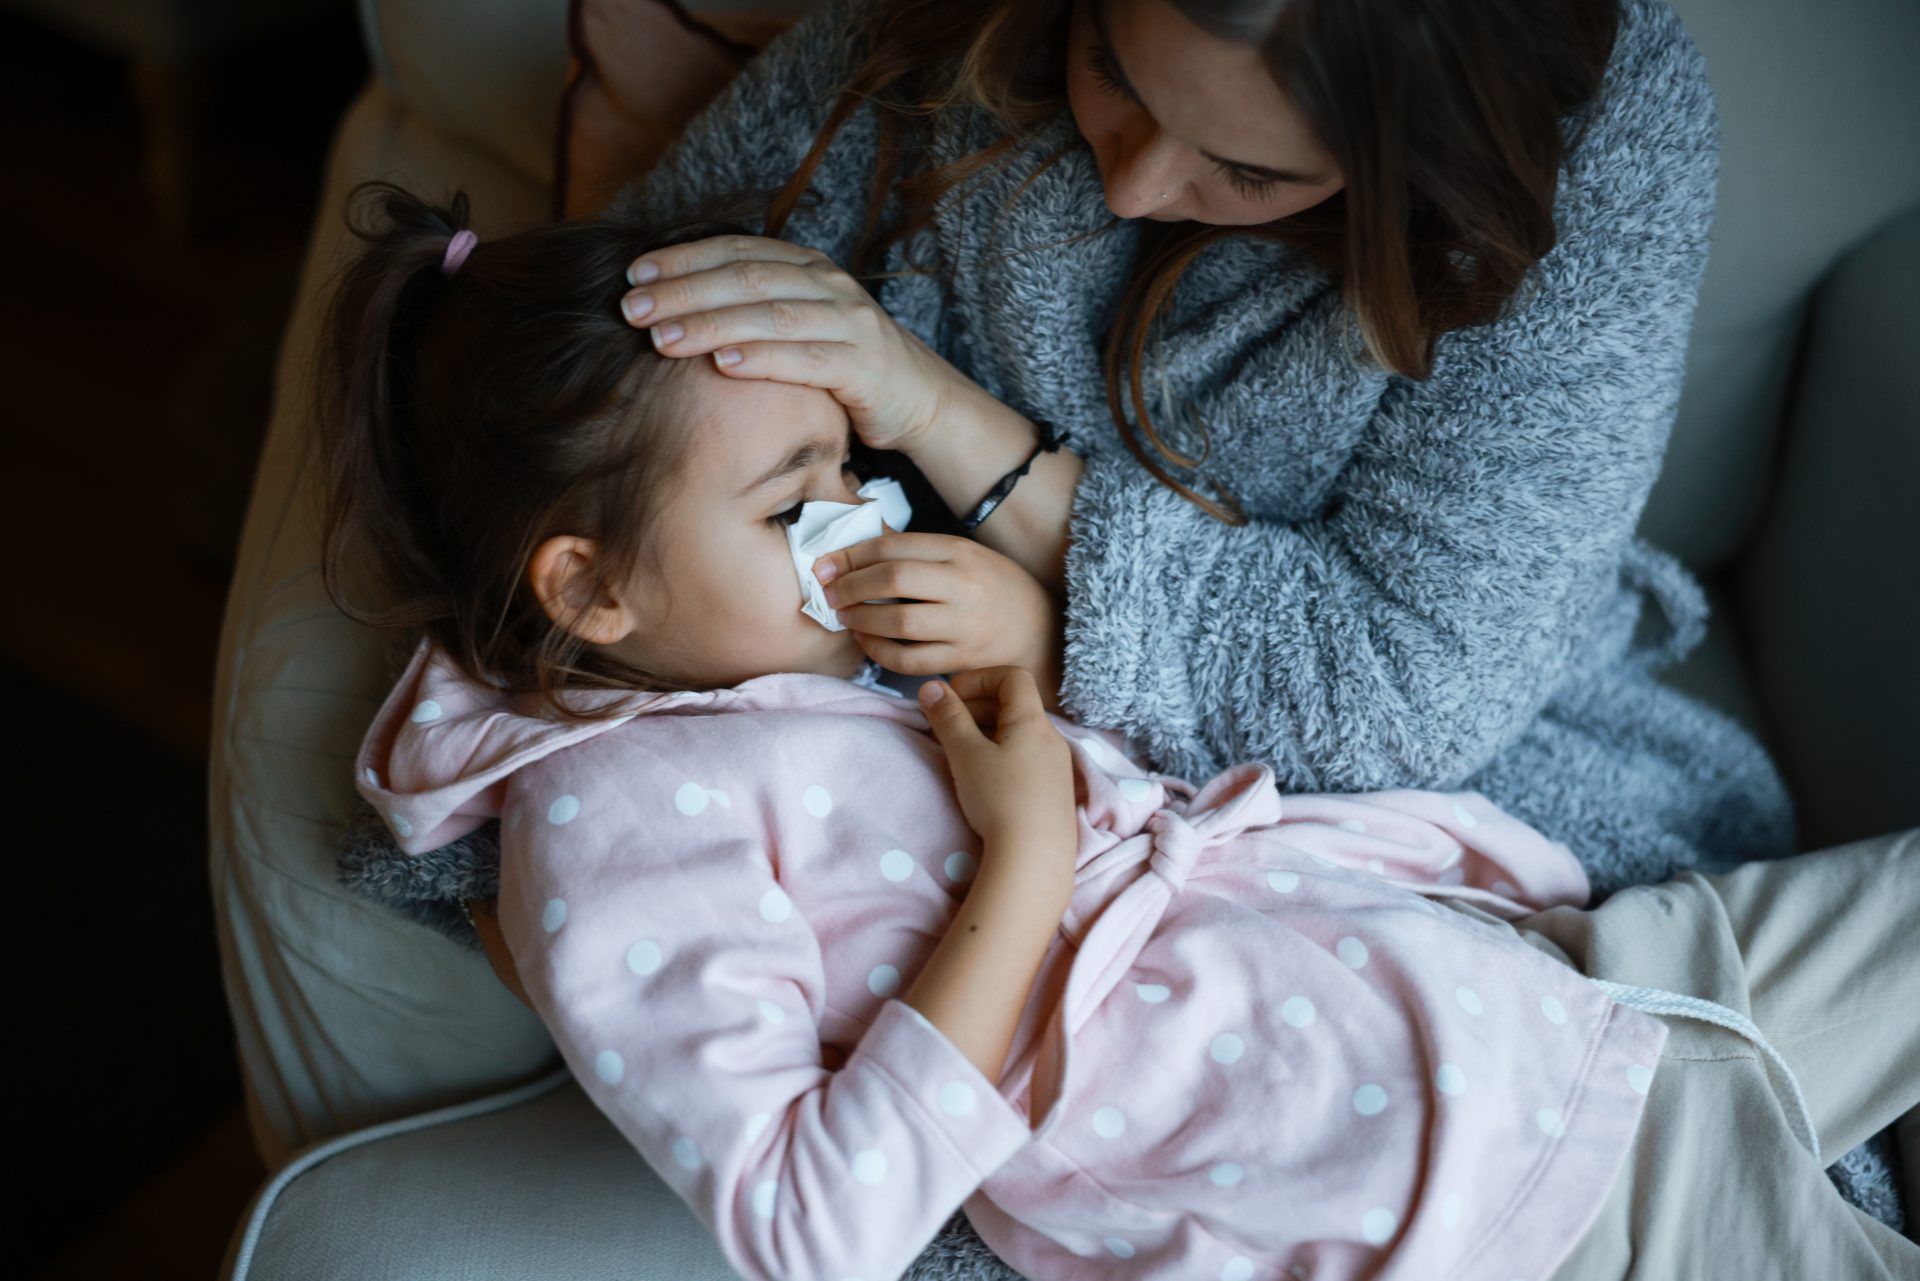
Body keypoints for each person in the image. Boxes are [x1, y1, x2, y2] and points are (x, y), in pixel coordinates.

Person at [318, 187, 1919, 1281]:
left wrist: (1032, 643)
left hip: (1546, 978)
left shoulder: (774, 655)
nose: (860, 514)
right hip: (1469, 1199)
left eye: (845, 463)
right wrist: (1022, 857)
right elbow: (813, 1225)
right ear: (586, 590)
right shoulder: (612, 828)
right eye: (790, 499)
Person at [603, 0, 1795, 897]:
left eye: (1249, 170)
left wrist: (937, 419)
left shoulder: (1591, 130)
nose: (1132, 185)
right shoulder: (950, 38)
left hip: (1409, 775)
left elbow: (1401, 695)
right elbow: (616, 397)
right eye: (1112, 69)